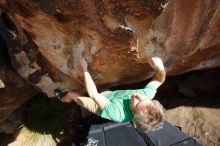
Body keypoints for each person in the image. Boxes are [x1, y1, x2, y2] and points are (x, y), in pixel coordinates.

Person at [57, 56, 166, 132]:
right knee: (103, 89)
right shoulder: (145, 96)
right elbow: (158, 81)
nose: (138, 96)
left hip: (99, 106)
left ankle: (63, 99)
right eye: (144, 99)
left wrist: (84, 67)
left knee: (73, 95)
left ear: (133, 114)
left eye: (138, 103)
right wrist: (160, 68)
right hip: (111, 95)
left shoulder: (117, 113)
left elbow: (94, 95)